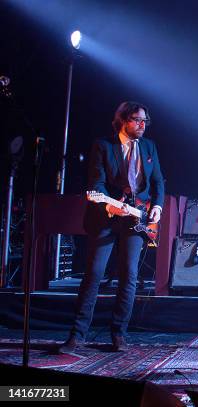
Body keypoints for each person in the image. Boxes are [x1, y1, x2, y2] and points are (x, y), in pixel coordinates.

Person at [58, 101, 164, 353]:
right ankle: (77, 335)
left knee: (129, 276)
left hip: (137, 219)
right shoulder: (103, 146)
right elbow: (97, 183)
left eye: (145, 121)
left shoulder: (150, 146)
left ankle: (119, 334)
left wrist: (157, 207)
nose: (142, 125)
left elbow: (158, 180)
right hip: (106, 217)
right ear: (123, 120)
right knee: (94, 274)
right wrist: (109, 205)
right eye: (137, 120)